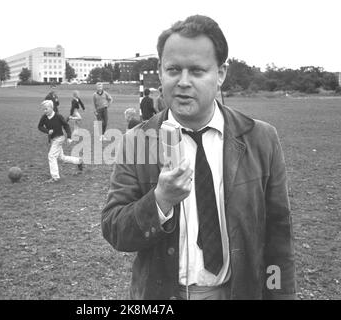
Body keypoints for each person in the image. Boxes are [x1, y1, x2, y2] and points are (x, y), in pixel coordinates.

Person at [101, 14, 296, 300]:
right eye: (173, 70)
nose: (183, 82)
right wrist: (160, 201)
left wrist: (279, 295)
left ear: (220, 73)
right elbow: (115, 228)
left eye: (197, 71)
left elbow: (278, 235)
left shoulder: (262, 139)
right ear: (160, 71)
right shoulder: (136, 142)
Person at [38, 100, 83, 182]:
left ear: (51, 108)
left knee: (51, 156)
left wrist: (69, 136)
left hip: (60, 138)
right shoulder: (44, 117)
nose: (45, 111)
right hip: (52, 139)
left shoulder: (58, 116)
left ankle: (55, 177)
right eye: (43, 109)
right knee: (62, 158)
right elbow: (40, 126)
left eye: (46, 109)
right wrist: (47, 131)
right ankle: (78, 161)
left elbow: (66, 125)